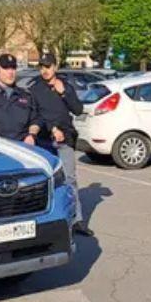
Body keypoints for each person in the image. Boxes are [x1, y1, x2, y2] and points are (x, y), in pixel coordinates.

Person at [28, 53, 91, 236]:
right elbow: (36, 115)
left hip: (65, 140)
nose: (45, 70)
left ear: (55, 67)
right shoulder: (35, 89)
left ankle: (77, 220)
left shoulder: (65, 86)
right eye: (42, 67)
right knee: (47, 181)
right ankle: (48, 221)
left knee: (70, 179)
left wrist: (64, 92)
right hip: (45, 141)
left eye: (48, 66)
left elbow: (78, 110)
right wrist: (52, 127)